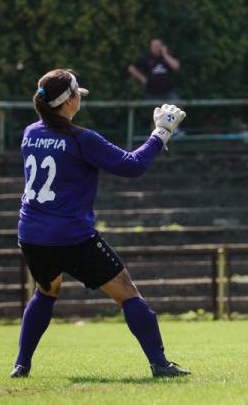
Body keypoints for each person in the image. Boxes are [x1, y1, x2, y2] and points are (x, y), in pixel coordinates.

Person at [10, 69, 189, 379]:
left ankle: (21, 365)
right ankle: (160, 364)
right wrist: (161, 133)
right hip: (71, 235)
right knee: (128, 294)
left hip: (31, 233)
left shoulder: (30, 133)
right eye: (78, 93)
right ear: (68, 102)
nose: (81, 97)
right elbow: (132, 166)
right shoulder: (82, 139)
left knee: (45, 292)